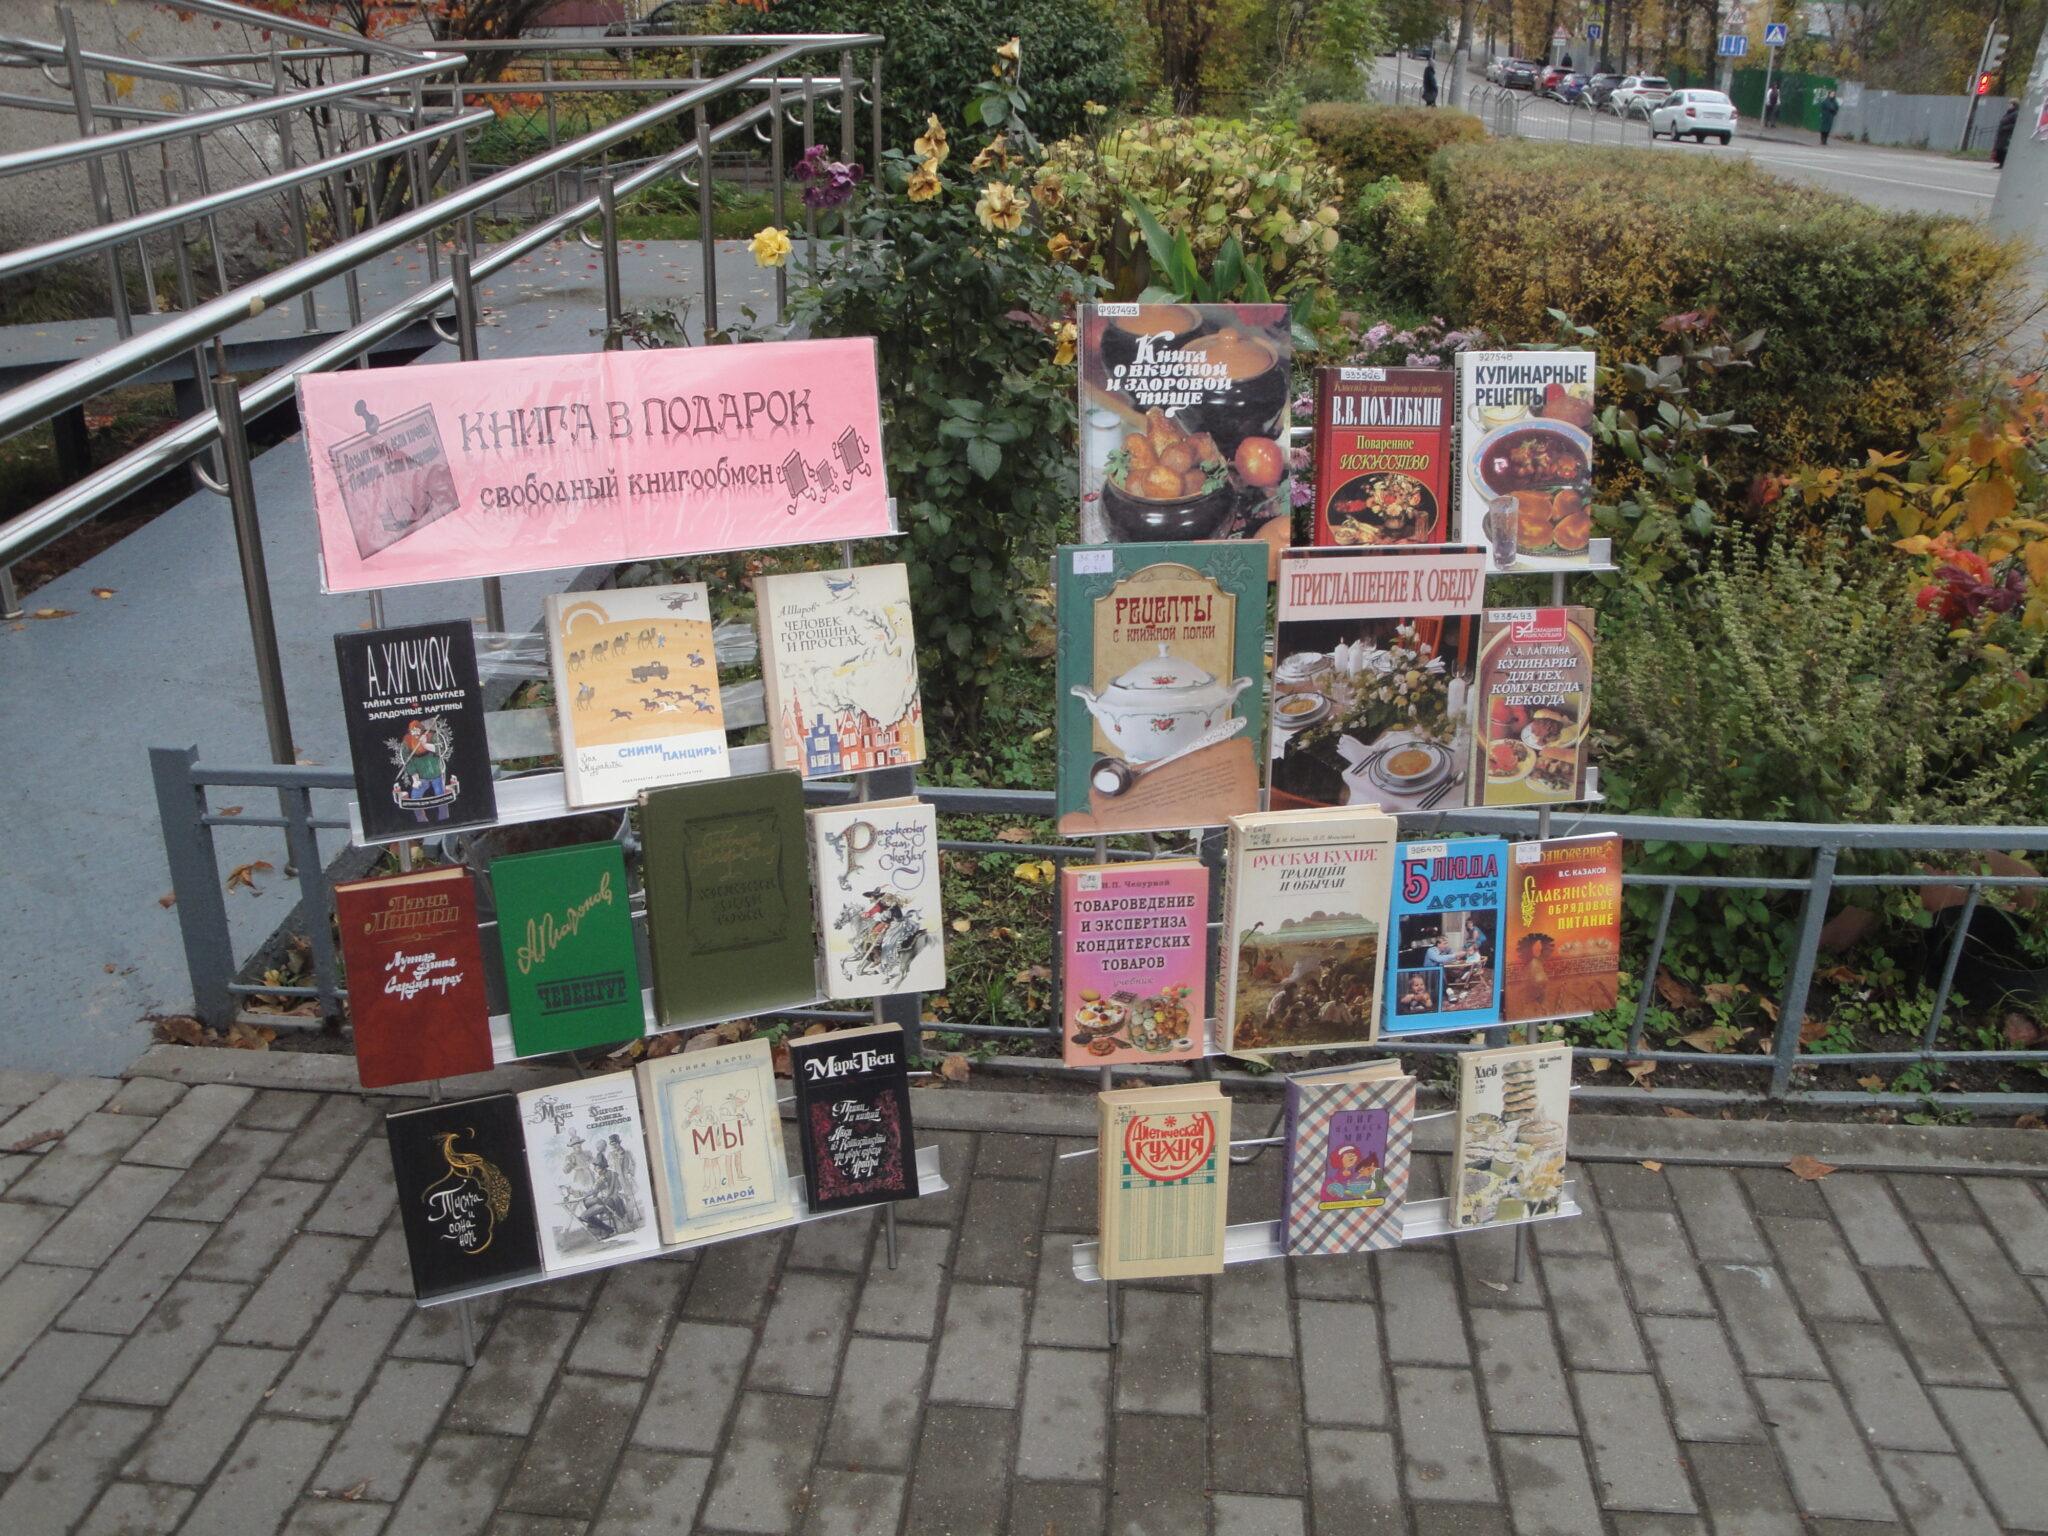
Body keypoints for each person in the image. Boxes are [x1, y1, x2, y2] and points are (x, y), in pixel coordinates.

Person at [1996, 98, 2020, 167]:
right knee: (2000, 149)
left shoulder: (2015, 113)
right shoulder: (2009, 113)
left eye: (2010, 104)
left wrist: (2006, 127)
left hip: (2007, 134)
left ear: (2014, 105)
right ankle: (2001, 163)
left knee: (2004, 149)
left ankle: (2003, 163)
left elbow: (2015, 124)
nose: (2008, 105)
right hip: (2003, 134)